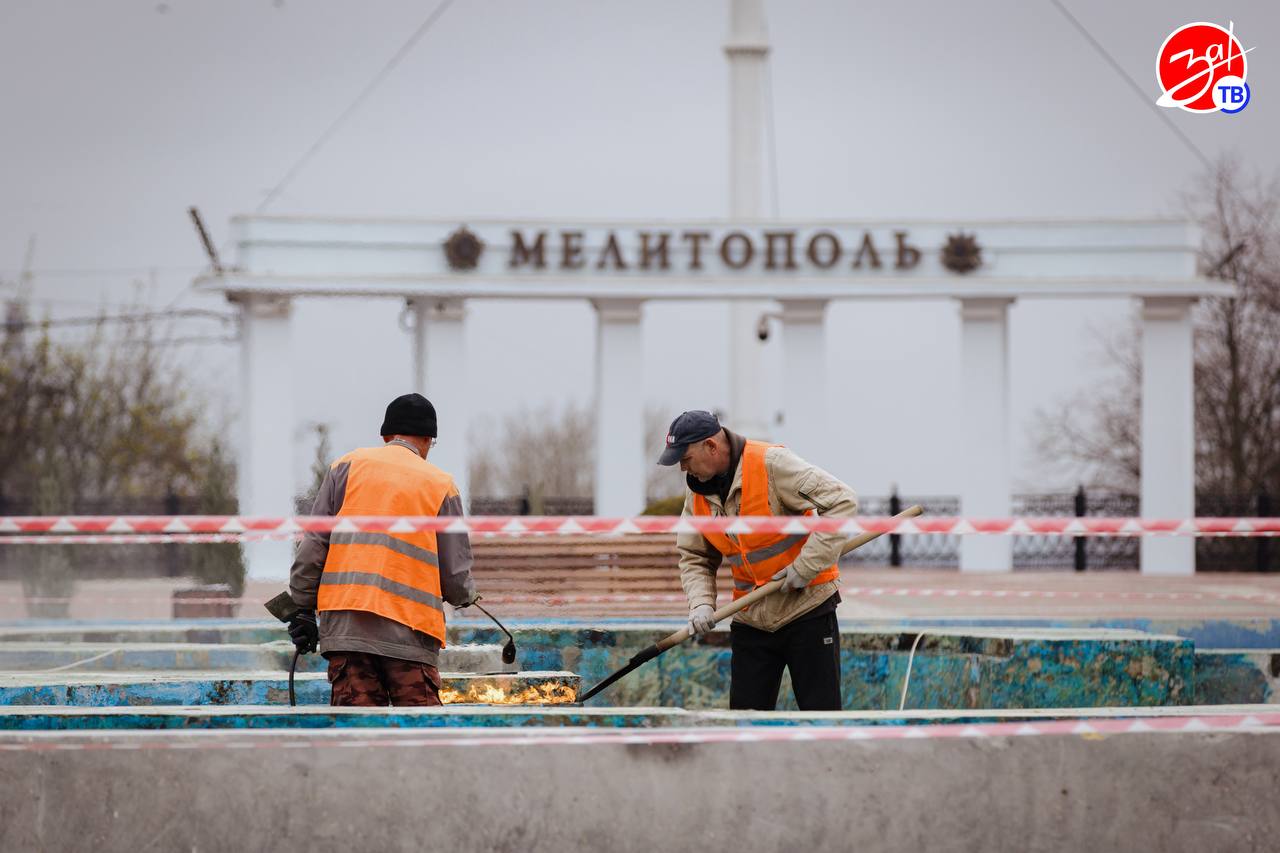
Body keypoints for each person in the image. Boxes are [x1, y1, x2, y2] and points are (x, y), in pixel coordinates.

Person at [658, 410, 858, 711]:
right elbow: (695, 555)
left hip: (808, 610)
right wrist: (700, 602)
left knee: (822, 719)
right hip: (751, 617)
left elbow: (842, 501)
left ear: (711, 447)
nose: (682, 468)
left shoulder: (771, 464)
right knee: (744, 726)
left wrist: (805, 567)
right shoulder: (697, 493)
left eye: (685, 458)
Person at [287, 392, 477, 706]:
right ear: (428, 440)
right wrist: (467, 595)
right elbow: (455, 578)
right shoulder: (441, 484)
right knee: (421, 740)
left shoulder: (345, 468)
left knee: (360, 741)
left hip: (347, 634)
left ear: (386, 435)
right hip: (410, 636)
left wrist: (302, 609)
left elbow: (315, 544)